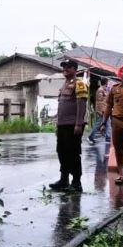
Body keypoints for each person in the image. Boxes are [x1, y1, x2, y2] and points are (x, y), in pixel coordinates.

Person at [48, 59, 88, 193]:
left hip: (73, 125)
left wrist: (78, 123)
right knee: (62, 152)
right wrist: (57, 125)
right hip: (62, 125)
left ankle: (76, 182)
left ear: (75, 69)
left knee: (73, 153)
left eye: (68, 67)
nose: (65, 69)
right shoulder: (64, 84)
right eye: (64, 67)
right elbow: (61, 107)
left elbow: (81, 104)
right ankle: (63, 180)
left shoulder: (80, 83)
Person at [87, 77, 111, 143]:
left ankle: (108, 137)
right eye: (107, 82)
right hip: (102, 111)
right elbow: (99, 102)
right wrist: (102, 111)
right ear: (106, 82)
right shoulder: (100, 90)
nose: (108, 83)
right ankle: (90, 136)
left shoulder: (104, 89)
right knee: (98, 123)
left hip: (105, 110)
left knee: (108, 123)